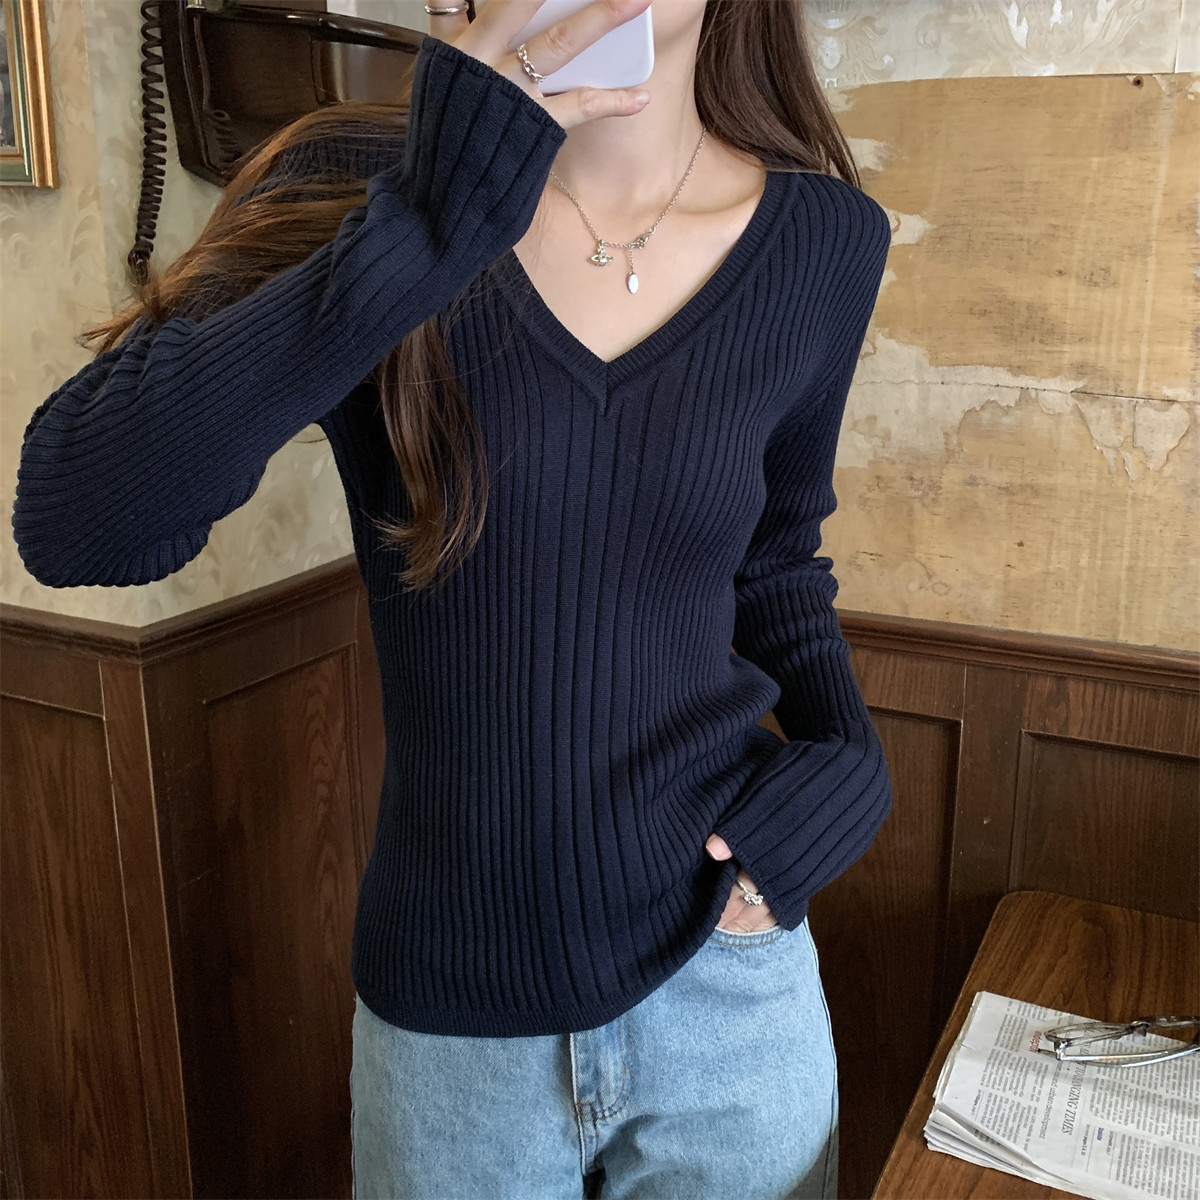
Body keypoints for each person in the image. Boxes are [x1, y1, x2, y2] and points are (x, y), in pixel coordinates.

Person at [11, 0, 894, 1195]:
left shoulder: (825, 242)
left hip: (728, 982)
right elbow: (78, 521)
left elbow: (776, 560)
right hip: (451, 1021)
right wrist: (435, 219)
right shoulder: (356, 182)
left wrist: (849, 749)